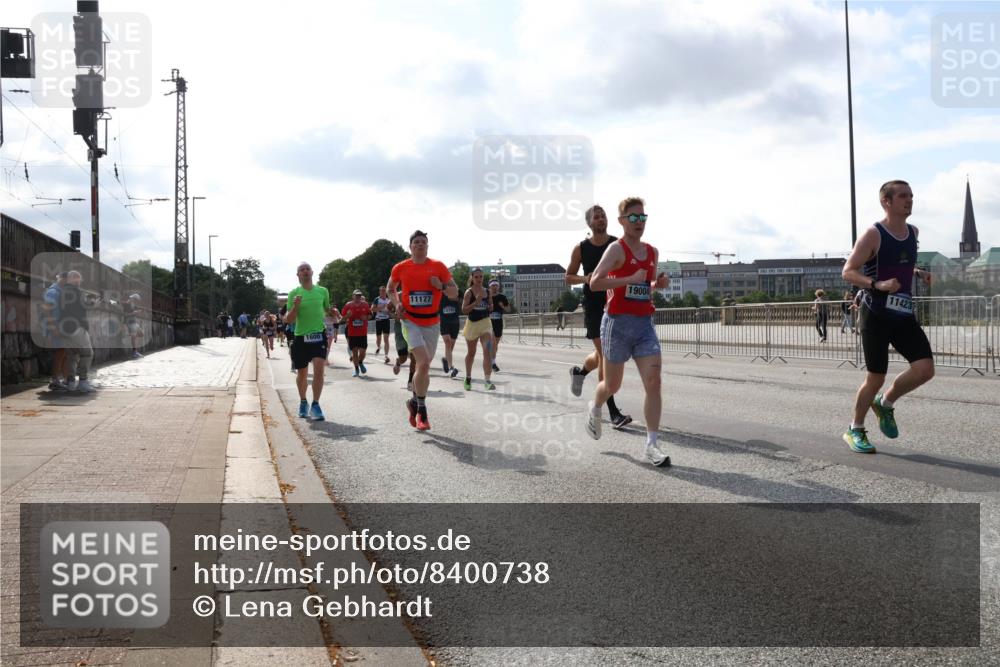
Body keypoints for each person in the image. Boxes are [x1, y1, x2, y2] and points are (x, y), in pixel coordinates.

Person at [840, 180, 934, 454]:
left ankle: (886, 403)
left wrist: (918, 273)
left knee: (925, 369)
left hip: (903, 312)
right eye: (903, 196)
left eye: (911, 195)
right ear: (887, 202)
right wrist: (876, 284)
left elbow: (902, 261)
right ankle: (854, 429)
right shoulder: (873, 234)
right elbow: (848, 271)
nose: (909, 200)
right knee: (875, 377)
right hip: (876, 313)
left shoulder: (913, 231)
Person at [586, 197, 670, 466]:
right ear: (622, 221)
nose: (638, 223)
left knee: (654, 382)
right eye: (633, 218)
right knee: (612, 385)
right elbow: (595, 283)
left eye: (642, 218)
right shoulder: (616, 249)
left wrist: (659, 283)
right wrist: (627, 280)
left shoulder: (652, 252)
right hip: (617, 324)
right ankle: (596, 407)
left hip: (643, 324)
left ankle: (652, 445)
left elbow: (645, 285)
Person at [565, 204, 632, 429]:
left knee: (600, 353)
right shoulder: (581, 248)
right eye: (597, 216)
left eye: (603, 215)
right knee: (605, 355)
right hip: (593, 305)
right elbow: (568, 277)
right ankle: (611, 412)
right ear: (590, 223)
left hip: (615, 302)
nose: (601, 218)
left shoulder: (617, 244)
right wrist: (586, 279)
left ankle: (579, 371)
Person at [387, 230, 460, 430]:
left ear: (427, 246)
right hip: (410, 321)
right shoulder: (401, 267)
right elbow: (390, 288)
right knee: (424, 362)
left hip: (432, 323)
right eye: (416, 242)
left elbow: (455, 292)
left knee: (424, 366)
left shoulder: (438, 267)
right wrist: (397, 303)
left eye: (423, 242)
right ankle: (422, 411)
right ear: (410, 247)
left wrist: (441, 286)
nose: (420, 245)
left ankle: (413, 402)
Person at [284, 262, 332, 421]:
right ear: (297, 275)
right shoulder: (293, 294)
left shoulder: (323, 291)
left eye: (307, 269)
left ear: (312, 272)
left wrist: (334, 312)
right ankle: (303, 401)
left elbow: (326, 308)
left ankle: (316, 404)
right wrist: (296, 307)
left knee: (319, 369)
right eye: (301, 270)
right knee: (302, 373)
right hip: (300, 337)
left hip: (319, 335)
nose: (305, 271)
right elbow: (288, 320)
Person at [58, 271, 96, 393]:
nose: (80, 282)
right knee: (87, 354)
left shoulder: (62, 291)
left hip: (65, 328)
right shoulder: (76, 292)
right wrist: (90, 303)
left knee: (72, 356)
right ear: (73, 278)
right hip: (77, 328)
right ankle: (83, 382)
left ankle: (70, 382)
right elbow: (81, 308)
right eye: (79, 279)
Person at [461, 268, 496, 391]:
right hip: (472, 324)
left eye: (481, 277)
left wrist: (490, 306)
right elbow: (464, 310)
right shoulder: (468, 292)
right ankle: (468, 377)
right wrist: (476, 302)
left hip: (485, 323)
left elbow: (490, 306)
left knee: (488, 350)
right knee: (472, 353)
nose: (479, 279)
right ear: (472, 278)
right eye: (476, 277)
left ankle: (487, 381)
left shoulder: (487, 291)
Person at [41, 272, 69, 390]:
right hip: (56, 326)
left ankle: (65, 379)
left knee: (64, 353)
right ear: (63, 279)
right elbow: (47, 310)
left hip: (61, 326)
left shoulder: (61, 291)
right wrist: (53, 327)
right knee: (60, 353)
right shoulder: (53, 291)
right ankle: (55, 379)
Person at [342, 290, 371, 377]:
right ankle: (356, 369)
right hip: (352, 333)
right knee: (354, 352)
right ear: (353, 296)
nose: (358, 297)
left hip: (362, 333)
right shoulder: (348, 305)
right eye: (356, 296)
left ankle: (360, 362)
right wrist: (347, 316)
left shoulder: (365, 304)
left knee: (362, 352)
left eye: (359, 296)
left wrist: (365, 317)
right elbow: (342, 318)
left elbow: (370, 315)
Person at [488, 280, 510, 372]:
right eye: (493, 285)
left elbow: (508, 309)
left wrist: (503, 307)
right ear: (490, 287)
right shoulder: (486, 296)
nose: (495, 287)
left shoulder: (502, 297)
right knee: (493, 343)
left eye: (496, 285)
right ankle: (493, 364)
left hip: (498, 322)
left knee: (495, 344)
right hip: (488, 323)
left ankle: (491, 360)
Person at [438, 289, 461, 378]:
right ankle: (451, 368)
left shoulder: (457, 290)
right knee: (447, 342)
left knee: (451, 345)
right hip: (444, 321)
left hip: (455, 322)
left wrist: (453, 297)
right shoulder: (439, 291)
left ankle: (445, 359)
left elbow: (460, 301)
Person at [372, 286, 393, 364]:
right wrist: (380, 308)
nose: (383, 292)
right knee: (378, 338)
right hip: (378, 320)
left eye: (384, 291)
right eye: (382, 291)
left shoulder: (389, 300)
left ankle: (386, 356)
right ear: (379, 292)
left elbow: (391, 310)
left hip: (386, 320)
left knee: (386, 339)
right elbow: (372, 309)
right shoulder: (377, 299)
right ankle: (378, 347)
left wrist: (390, 313)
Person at [124, 293, 145, 358]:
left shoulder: (132, 304)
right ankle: (135, 352)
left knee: (141, 334)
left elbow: (135, 312)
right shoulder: (127, 304)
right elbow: (125, 315)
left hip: (134, 322)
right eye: (136, 300)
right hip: (130, 322)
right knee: (134, 336)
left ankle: (135, 351)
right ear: (133, 298)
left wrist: (138, 312)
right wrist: (133, 313)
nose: (137, 302)